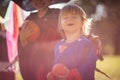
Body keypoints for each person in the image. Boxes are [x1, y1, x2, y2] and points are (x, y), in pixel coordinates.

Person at [18, 0, 67, 80]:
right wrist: (22, 40)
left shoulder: (58, 15)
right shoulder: (29, 20)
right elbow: (23, 49)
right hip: (35, 65)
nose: (39, 1)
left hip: (54, 63)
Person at [48, 4, 99, 80]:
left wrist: (72, 74)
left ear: (82, 22)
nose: (69, 19)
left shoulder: (85, 44)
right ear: (60, 25)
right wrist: (53, 74)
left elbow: (89, 64)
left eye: (74, 17)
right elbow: (56, 63)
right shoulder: (58, 45)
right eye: (65, 18)